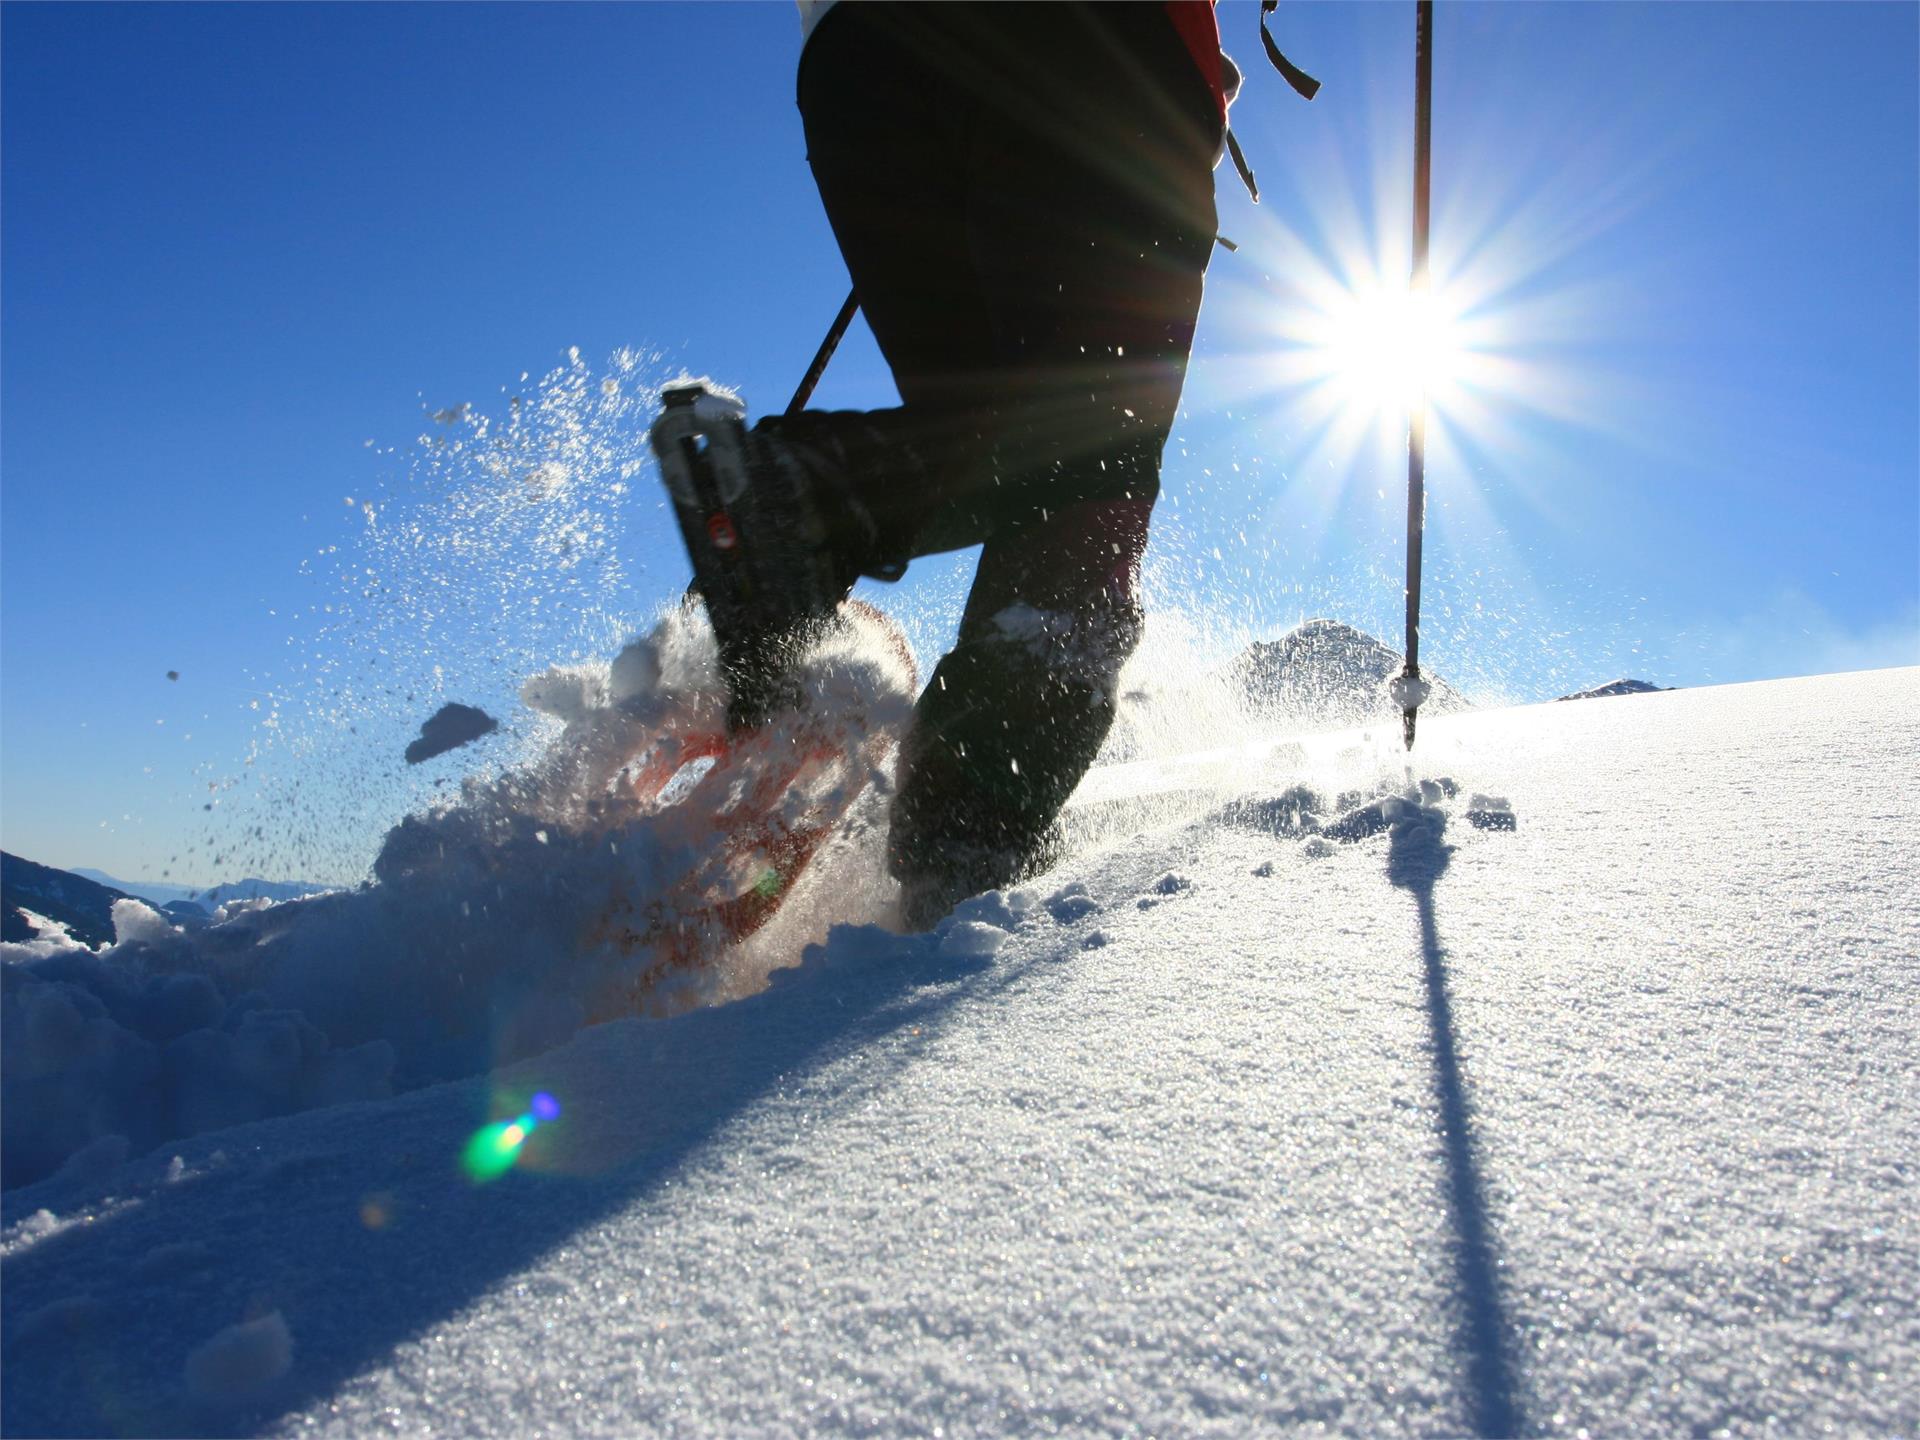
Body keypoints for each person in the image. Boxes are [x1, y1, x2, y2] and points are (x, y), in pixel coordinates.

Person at [654, 2, 1231, 929]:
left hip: (860, 60)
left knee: (1022, 435)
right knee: (1091, 477)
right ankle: (958, 859)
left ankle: (816, 500)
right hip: (1096, 49)